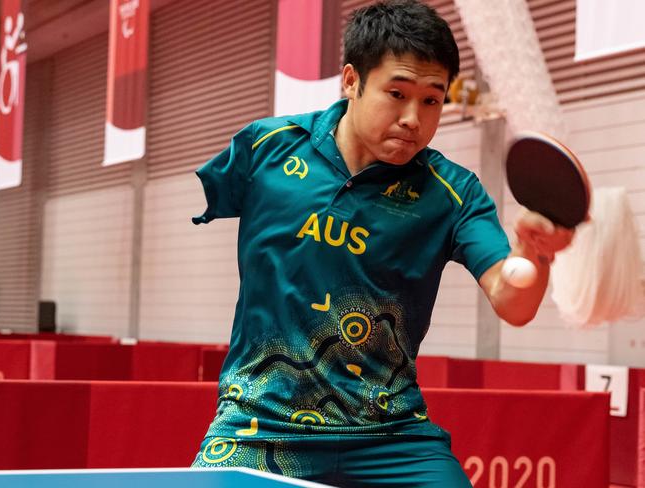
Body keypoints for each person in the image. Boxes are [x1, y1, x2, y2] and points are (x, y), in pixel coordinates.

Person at [190, 1, 573, 486]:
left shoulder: (453, 193)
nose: (413, 118)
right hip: (260, 426)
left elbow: (513, 303)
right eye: (397, 93)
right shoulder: (266, 150)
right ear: (351, 81)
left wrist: (535, 252)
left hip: (393, 436)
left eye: (432, 101)